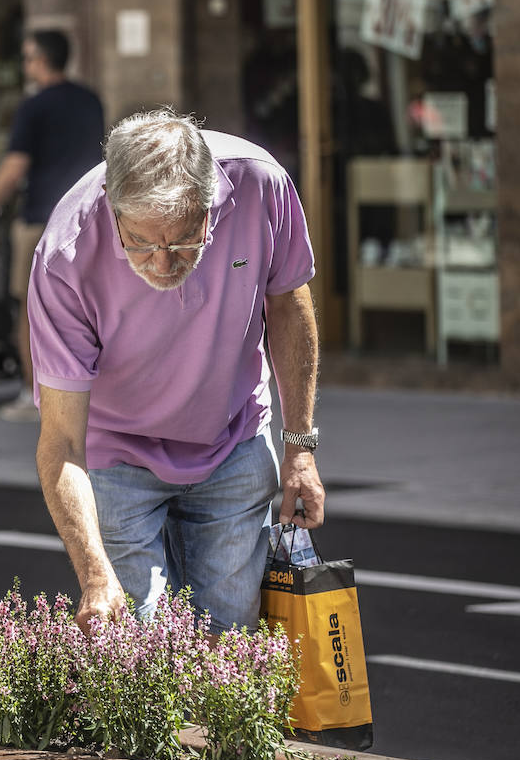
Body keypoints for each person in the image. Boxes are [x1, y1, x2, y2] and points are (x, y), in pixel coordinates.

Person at [28, 109, 325, 634]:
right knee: (132, 648)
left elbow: (289, 305)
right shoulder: (65, 254)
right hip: (115, 456)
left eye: (185, 238)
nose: (163, 262)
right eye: (140, 242)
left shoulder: (259, 185)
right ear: (113, 211)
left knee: (231, 642)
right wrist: (95, 576)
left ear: (213, 203)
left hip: (232, 441)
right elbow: (62, 443)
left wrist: (300, 446)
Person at [0, 30, 104, 422]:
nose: (26, 65)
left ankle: (34, 394)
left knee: (32, 313)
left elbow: (14, 167)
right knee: (91, 311)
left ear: (40, 61)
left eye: (27, 58)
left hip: (42, 222)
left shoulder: (33, 107)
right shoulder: (90, 101)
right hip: (91, 217)